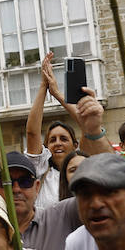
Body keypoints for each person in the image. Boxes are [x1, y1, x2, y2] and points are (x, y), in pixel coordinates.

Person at [23, 53, 80, 211]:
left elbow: (88, 124)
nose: (58, 143)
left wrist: (57, 93)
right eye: (52, 140)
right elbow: (32, 133)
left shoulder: (86, 167)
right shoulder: (41, 171)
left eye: (63, 138)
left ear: (75, 145)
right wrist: (43, 87)